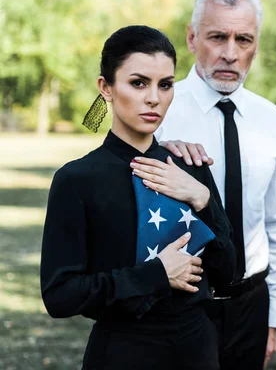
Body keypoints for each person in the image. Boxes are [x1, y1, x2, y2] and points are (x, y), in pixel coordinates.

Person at [40, 25, 236, 369]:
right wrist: (155, 274)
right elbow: (60, 295)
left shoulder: (191, 167)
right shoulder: (77, 180)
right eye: (138, 83)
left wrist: (203, 199)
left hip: (198, 350)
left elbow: (225, 274)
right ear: (106, 87)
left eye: (165, 85)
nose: (154, 98)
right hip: (124, 351)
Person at [140, 0, 276, 370]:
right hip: (180, 305)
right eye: (217, 37)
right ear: (192, 39)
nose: (230, 53)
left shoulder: (272, 120)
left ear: (256, 45)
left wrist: (272, 317)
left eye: (243, 39)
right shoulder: (158, 113)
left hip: (251, 305)